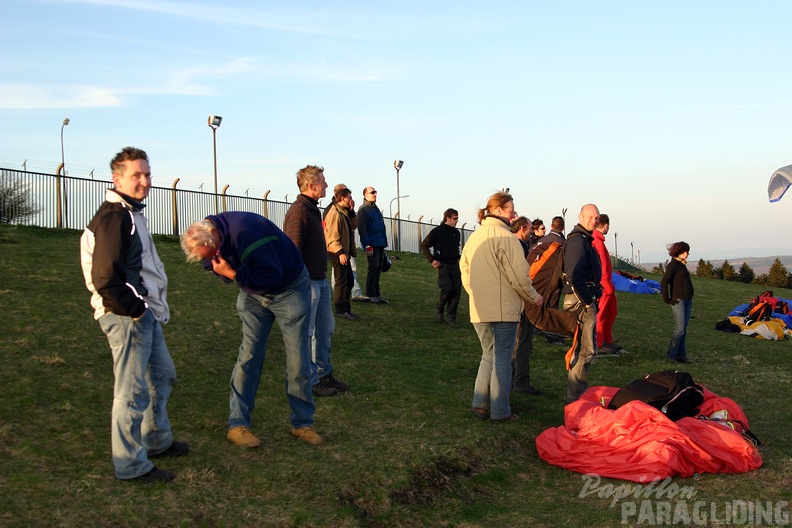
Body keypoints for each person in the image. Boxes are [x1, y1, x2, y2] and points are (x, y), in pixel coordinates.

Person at [80, 147, 187, 483]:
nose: (144, 181)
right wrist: (137, 309)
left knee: (162, 375)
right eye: (136, 175)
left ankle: (156, 439)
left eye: (147, 174)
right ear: (117, 179)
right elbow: (105, 279)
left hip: (143, 314)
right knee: (132, 391)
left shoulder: (131, 213)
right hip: (127, 317)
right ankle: (129, 464)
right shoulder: (115, 217)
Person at [180, 213, 322, 447]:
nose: (212, 260)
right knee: (249, 355)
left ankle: (303, 424)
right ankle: (238, 424)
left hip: (289, 289)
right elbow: (215, 264)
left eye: (214, 254)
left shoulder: (250, 234)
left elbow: (271, 274)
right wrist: (223, 270)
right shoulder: (210, 234)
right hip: (253, 293)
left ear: (216, 238)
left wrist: (234, 274)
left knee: (298, 359)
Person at [460, 192, 543, 421]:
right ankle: (500, 411)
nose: (514, 214)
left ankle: (480, 404)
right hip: (503, 310)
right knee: (503, 359)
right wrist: (534, 296)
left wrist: (475, 293)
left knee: (488, 354)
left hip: (479, 308)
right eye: (510, 210)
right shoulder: (507, 238)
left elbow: (464, 269)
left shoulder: (475, 237)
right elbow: (519, 277)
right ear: (498, 211)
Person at [284, 165, 349, 397]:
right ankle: (310, 381)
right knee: (308, 333)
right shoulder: (299, 211)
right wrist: (299, 283)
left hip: (319, 281)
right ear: (311, 186)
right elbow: (292, 251)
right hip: (306, 284)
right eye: (323, 181)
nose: (327, 185)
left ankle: (323, 373)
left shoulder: (311, 209)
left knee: (326, 329)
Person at [561, 204, 602, 403]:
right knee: (584, 350)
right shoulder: (578, 242)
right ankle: (576, 399)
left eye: (596, 217)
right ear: (580, 217)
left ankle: (577, 397)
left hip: (583, 299)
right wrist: (587, 302)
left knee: (585, 350)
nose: (593, 220)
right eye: (589, 216)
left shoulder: (585, 240)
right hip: (580, 303)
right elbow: (574, 276)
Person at [509, 215, 541, 395]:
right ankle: (520, 381)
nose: (532, 232)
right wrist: (533, 296)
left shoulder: (509, 244)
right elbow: (521, 277)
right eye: (530, 229)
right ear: (522, 229)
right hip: (521, 301)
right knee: (523, 344)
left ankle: (515, 379)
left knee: (516, 343)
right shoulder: (519, 247)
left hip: (512, 301)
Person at [324, 183, 368, 302]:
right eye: (349, 197)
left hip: (346, 249)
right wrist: (340, 251)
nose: (351, 200)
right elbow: (331, 235)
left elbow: (353, 226)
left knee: (347, 279)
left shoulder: (344, 210)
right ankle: (341, 307)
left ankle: (346, 305)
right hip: (339, 251)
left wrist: (352, 212)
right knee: (341, 280)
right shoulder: (333, 211)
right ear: (341, 196)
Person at [420, 208, 462, 328]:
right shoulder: (437, 232)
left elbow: (456, 248)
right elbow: (424, 245)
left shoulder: (456, 233)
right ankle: (440, 309)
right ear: (447, 218)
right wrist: (432, 260)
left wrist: (458, 259)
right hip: (442, 264)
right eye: (455, 218)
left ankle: (451, 318)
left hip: (454, 264)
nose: (457, 221)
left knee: (456, 290)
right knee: (447, 288)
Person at [592, 214, 622, 354]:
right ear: (606, 225)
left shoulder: (597, 240)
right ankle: (599, 342)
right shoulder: (597, 242)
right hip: (604, 286)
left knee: (610, 313)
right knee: (602, 314)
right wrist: (607, 287)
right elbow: (603, 266)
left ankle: (607, 340)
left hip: (605, 284)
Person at [661, 241, 694, 364]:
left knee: (684, 329)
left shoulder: (681, 265)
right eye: (686, 252)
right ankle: (671, 356)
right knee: (679, 329)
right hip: (678, 300)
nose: (687, 254)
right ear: (679, 252)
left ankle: (681, 355)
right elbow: (664, 282)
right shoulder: (673, 265)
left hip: (687, 299)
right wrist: (667, 299)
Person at [357, 186, 389, 304]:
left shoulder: (375, 209)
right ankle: (371, 294)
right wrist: (367, 245)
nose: (375, 194)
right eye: (372, 192)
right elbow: (362, 229)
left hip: (379, 243)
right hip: (372, 244)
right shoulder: (363, 210)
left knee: (378, 268)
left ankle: (377, 294)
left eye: (375, 192)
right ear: (365, 195)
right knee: (373, 267)